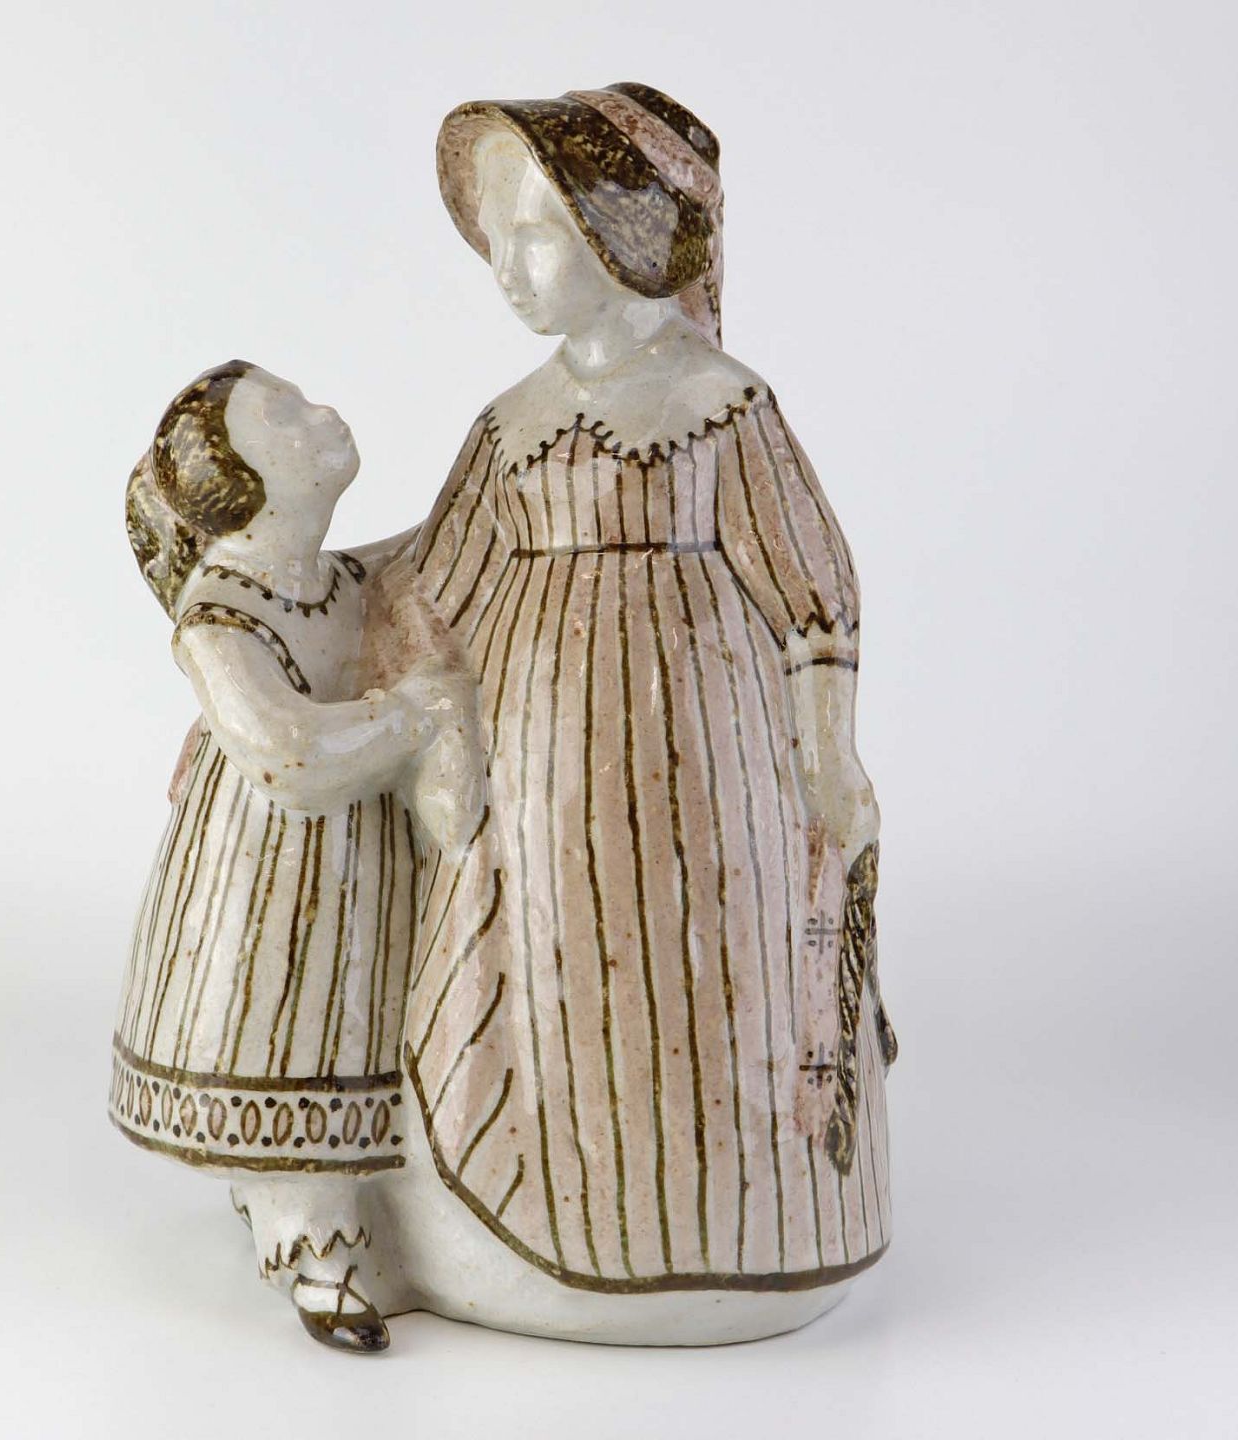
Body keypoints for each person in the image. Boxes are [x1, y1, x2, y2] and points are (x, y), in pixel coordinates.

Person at [388, 84, 895, 1333]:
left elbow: (812, 583)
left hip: (707, 757)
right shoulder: (510, 426)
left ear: (624, 231)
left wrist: (826, 748)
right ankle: (547, 1222)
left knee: (705, 965)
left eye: (538, 232)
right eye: (496, 238)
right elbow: (429, 587)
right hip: (539, 771)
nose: (509, 269)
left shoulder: (723, 404)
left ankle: (733, 1228)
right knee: (551, 970)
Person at [111, 360, 481, 1351]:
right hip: (270, 880)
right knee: (289, 1046)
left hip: (357, 870)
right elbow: (289, 755)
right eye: (284, 413)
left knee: (352, 1044)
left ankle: (329, 1207)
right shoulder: (219, 615)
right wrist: (415, 715)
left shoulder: (337, 580)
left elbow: (436, 545)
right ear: (238, 480)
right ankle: (314, 1251)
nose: (321, 411)